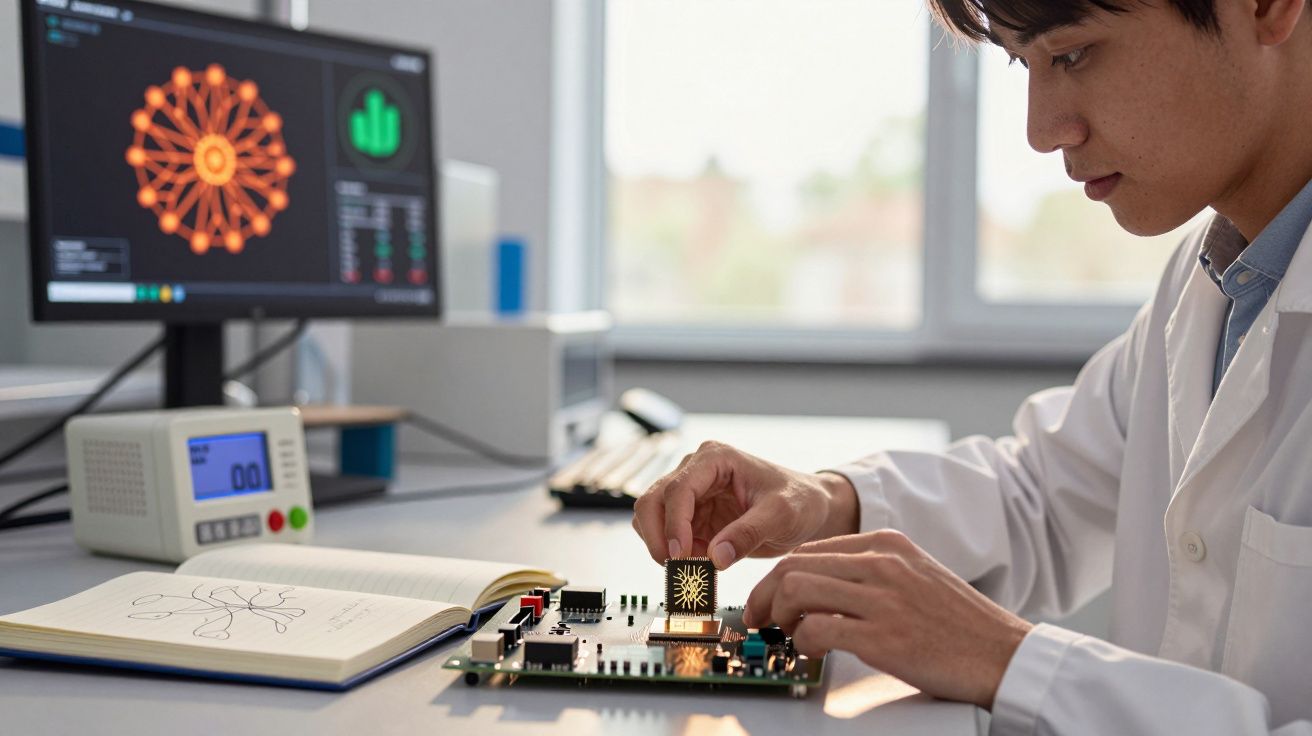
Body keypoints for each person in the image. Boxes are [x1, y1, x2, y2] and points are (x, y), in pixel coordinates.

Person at [631, 0, 1312, 732]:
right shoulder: (1216, 277)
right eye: (1025, 63)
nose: (1041, 131)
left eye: (1074, 53)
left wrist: (1011, 658)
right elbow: (1045, 495)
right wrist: (825, 502)